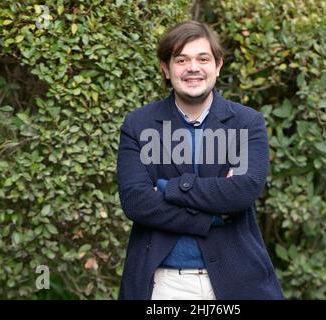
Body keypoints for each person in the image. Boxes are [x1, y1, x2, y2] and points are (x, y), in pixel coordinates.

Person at [116, 20, 284, 300]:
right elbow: (136, 200)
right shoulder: (139, 125)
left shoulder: (246, 123)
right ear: (166, 68)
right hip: (163, 285)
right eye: (181, 59)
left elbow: (241, 192)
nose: (193, 67)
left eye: (202, 58)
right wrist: (214, 216)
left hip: (238, 282)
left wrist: (168, 188)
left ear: (217, 66)